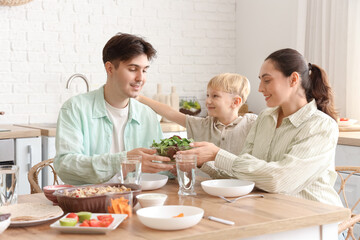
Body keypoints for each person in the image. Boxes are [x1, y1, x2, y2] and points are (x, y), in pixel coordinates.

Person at [179, 48, 343, 209]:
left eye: (267, 80)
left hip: (318, 221)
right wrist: (203, 161)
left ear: (293, 80)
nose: (260, 88)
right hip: (272, 213)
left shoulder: (321, 126)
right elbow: (242, 175)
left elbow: (279, 180)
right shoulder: (265, 118)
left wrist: (217, 154)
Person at [54, 33, 173, 185]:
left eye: (144, 70)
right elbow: (65, 166)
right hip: (89, 203)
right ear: (110, 68)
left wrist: (175, 165)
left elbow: (159, 169)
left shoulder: (147, 115)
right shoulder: (75, 108)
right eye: (132, 69)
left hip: (138, 201)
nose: (140, 78)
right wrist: (124, 162)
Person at [137, 73, 257, 178]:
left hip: (242, 190)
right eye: (207, 95)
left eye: (215, 96)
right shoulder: (202, 124)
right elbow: (170, 112)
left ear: (235, 102)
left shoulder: (252, 124)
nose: (208, 101)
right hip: (205, 192)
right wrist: (139, 97)